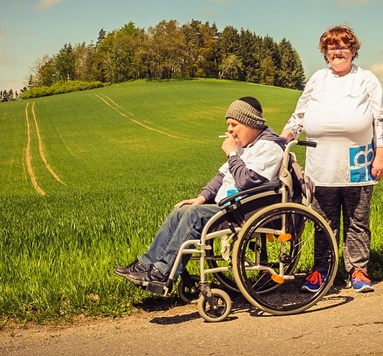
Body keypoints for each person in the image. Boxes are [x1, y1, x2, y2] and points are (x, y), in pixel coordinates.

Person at [115, 96, 286, 289]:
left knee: (195, 215)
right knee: (182, 210)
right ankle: (145, 265)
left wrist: (231, 154)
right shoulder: (246, 147)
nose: (229, 130)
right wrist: (201, 197)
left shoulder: (269, 148)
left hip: (245, 211)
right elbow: (221, 176)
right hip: (230, 206)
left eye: (234, 124)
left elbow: (246, 181)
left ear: (251, 124)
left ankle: (162, 273)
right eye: (228, 124)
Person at [281, 24, 383, 293]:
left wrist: (381, 155)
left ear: (353, 50)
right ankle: (323, 271)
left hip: (358, 163)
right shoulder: (318, 80)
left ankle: (358, 270)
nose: (337, 51)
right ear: (325, 52)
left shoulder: (366, 79)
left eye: (343, 46)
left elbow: (382, 119)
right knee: (323, 223)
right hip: (321, 166)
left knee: (357, 222)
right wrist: (281, 140)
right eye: (332, 47)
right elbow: (299, 117)